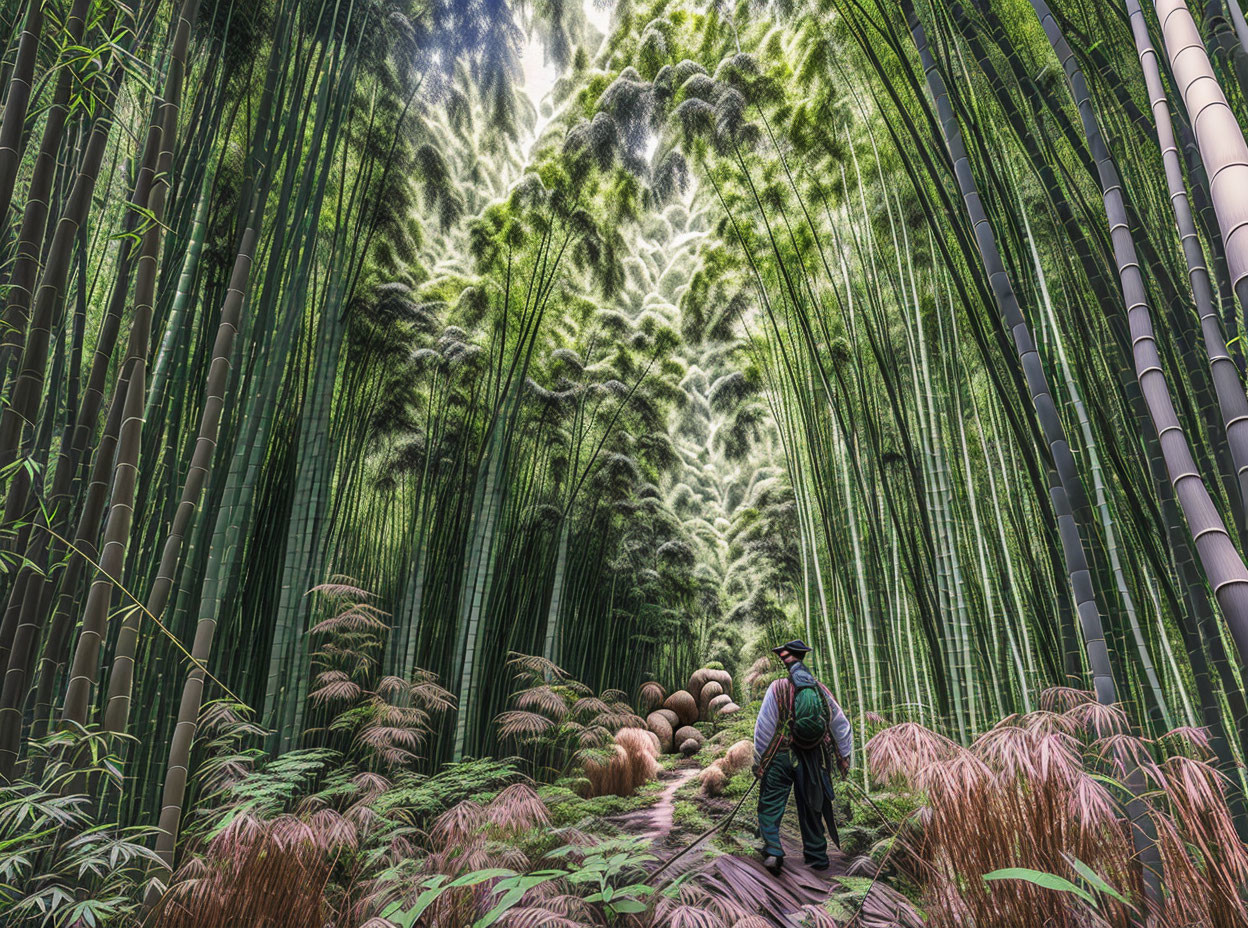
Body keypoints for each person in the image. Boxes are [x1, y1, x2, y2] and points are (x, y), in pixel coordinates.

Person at [751, 639, 853, 874]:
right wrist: (843, 757)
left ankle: (774, 852)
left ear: (786, 663)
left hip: (782, 755)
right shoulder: (818, 688)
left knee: (771, 801)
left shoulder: (777, 688)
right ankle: (817, 855)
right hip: (812, 755)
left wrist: (760, 761)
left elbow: (763, 728)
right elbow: (840, 723)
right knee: (812, 803)